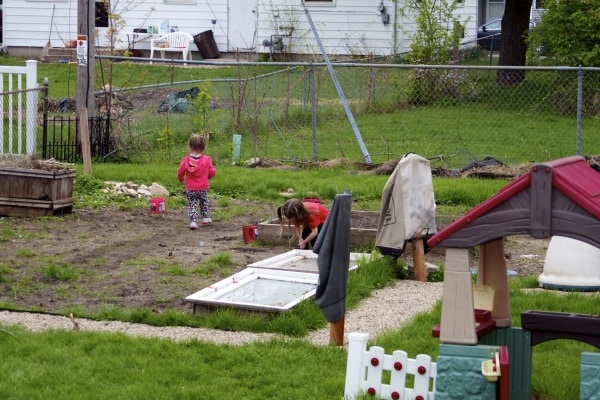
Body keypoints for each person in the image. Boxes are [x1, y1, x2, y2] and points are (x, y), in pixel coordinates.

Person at [177, 133, 216, 230]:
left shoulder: (185, 160)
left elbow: (180, 171)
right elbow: (212, 171)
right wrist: (209, 175)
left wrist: (181, 179)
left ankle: (193, 221)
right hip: (203, 187)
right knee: (204, 202)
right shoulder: (206, 160)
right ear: (203, 147)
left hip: (191, 188)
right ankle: (206, 217)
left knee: (192, 204)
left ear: (190, 146)